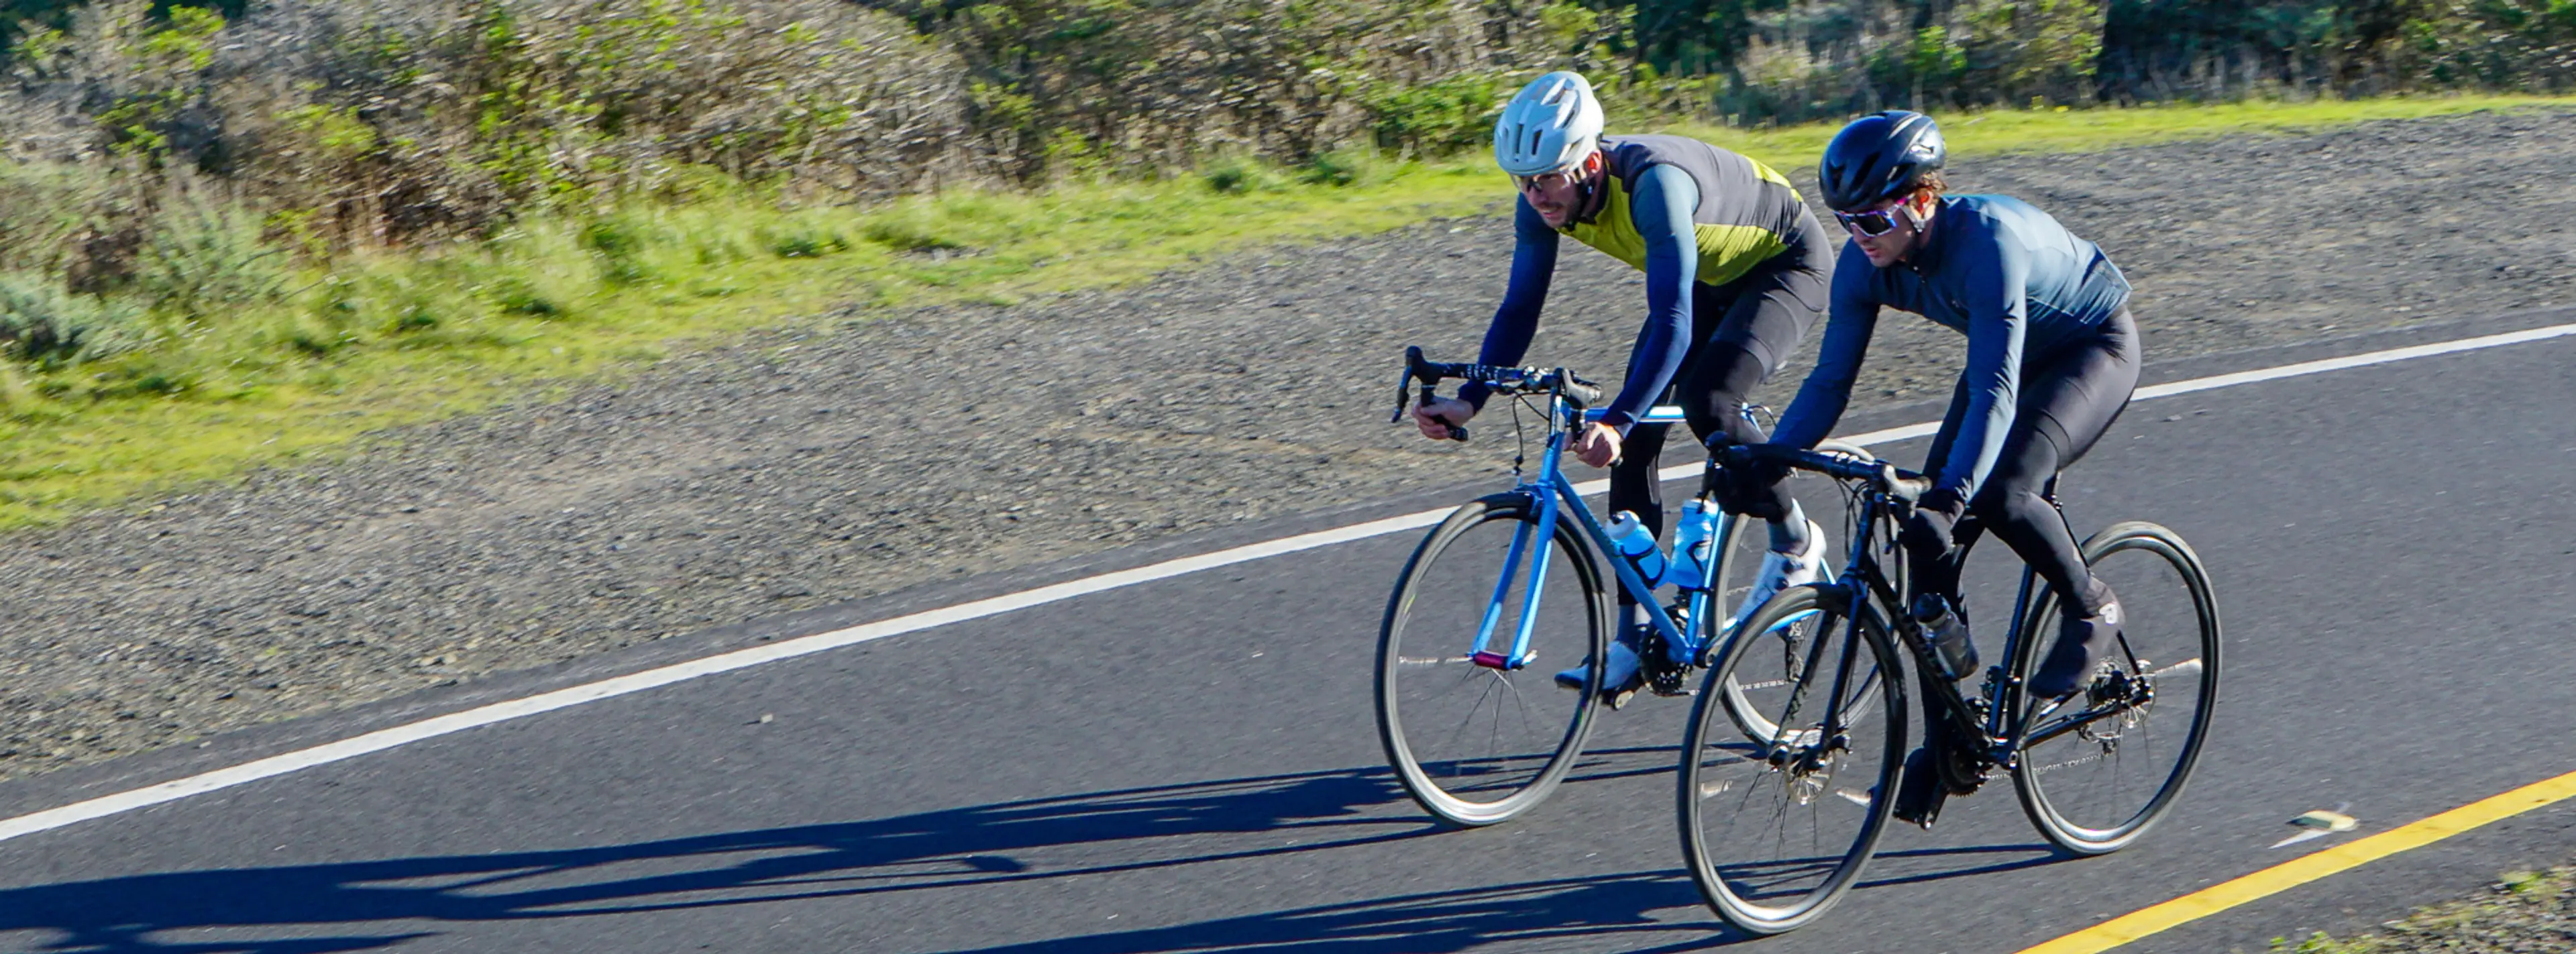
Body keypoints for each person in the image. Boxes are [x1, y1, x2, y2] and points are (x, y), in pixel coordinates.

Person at [1409, 71, 1833, 698]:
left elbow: (1673, 323)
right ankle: (1631, 641)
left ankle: (1795, 536)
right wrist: (1469, 401)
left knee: (1708, 401)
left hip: (1783, 266)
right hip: (1705, 277)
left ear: (1587, 162)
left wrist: (1619, 421)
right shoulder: (1543, 203)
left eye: (1547, 177)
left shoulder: (1654, 185)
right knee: (1629, 442)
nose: (1534, 195)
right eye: (1522, 181)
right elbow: (1520, 307)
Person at [1752, 109, 2138, 703]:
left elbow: (1994, 393)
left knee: (2001, 494)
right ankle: (1951, 738)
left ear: (1923, 201)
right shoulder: (1863, 263)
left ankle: (2091, 605)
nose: (1860, 235)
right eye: (1845, 220)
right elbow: (1830, 383)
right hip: (2007, 355)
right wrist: (1771, 461)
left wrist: (1950, 501)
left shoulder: (1987, 245)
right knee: (1924, 552)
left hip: (2090, 349)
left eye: (1875, 218)